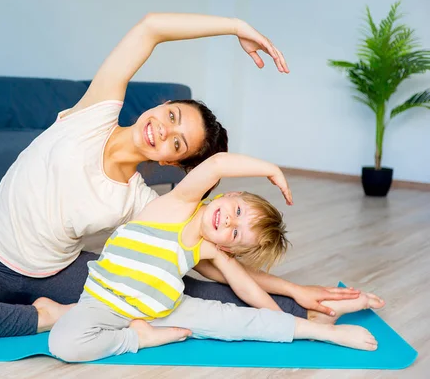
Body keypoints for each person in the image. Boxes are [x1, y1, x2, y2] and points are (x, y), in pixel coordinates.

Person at [0, 13, 359, 340]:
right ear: (159, 107)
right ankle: (47, 319)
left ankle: (311, 315)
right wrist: (235, 26)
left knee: (186, 289)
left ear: (175, 163)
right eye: (172, 116)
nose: (164, 132)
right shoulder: (95, 112)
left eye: (178, 144)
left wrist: (296, 293)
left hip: (67, 275)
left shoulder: (141, 202)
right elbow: (151, 28)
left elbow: (213, 264)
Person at [48, 152, 385, 362]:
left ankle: (325, 332)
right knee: (64, 344)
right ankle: (139, 339)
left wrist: (279, 320)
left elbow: (246, 289)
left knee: (237, 322)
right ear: (230, 193)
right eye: (236, 210)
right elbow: (218, 163)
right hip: (101, 303)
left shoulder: (207, 249)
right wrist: (271, 169)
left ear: (228, 247)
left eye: (235, 232)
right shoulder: (176, 205)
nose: (228, 221)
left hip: (164, 312)